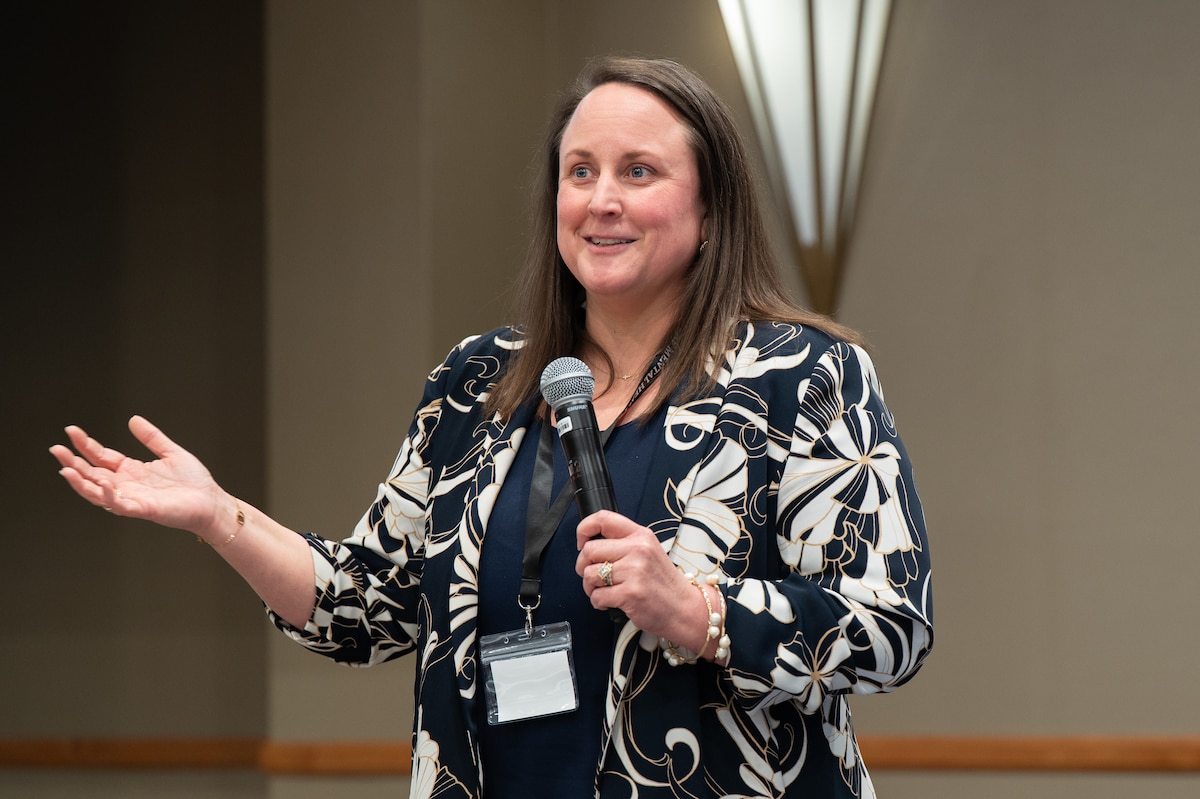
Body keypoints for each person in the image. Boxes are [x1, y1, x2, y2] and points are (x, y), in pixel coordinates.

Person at [50, 56, 933, 798]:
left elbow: (893, 625)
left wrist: (699, 610)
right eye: (580, 171)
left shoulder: (800, 377)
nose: (601, 199)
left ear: (709, 211)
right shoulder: (480, 381)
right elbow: (365, 605)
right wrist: (220, 516)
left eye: (639, 171)